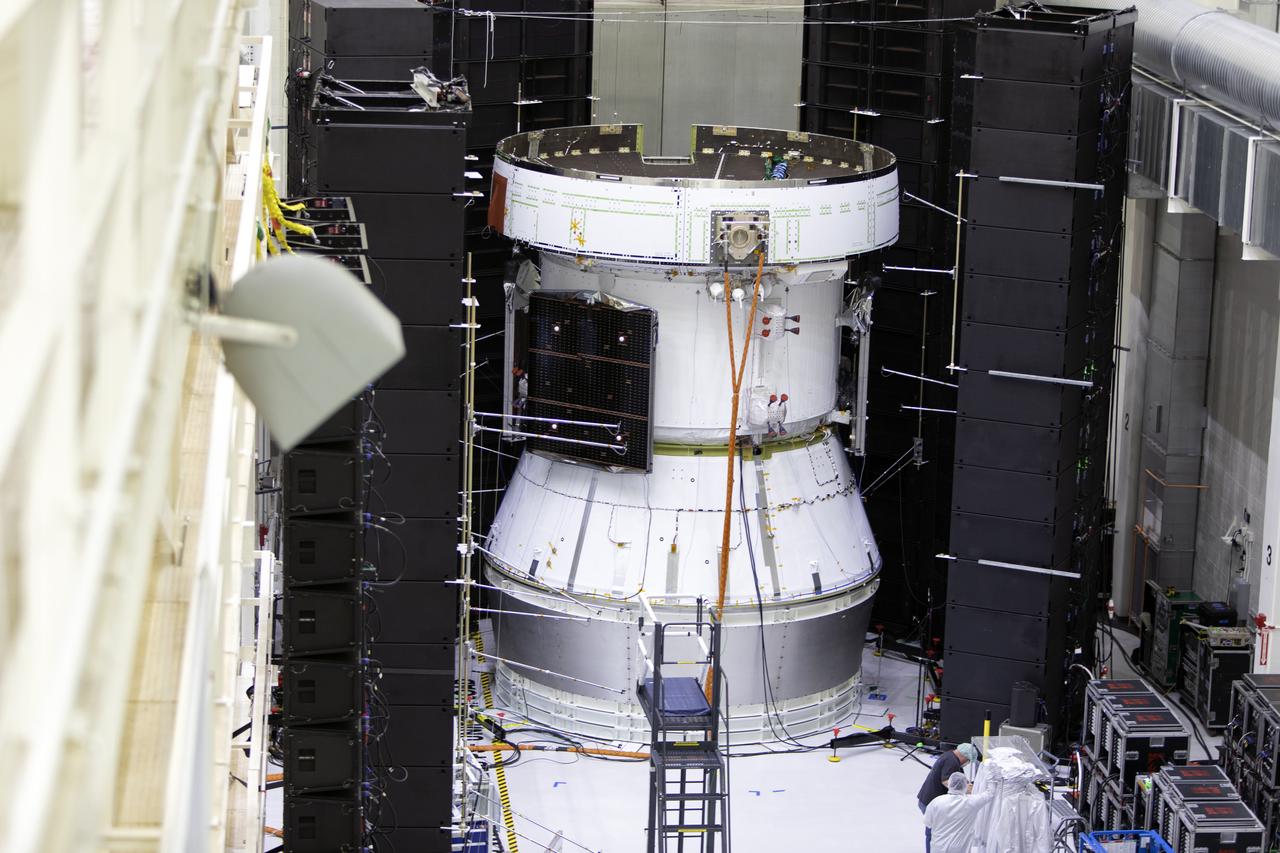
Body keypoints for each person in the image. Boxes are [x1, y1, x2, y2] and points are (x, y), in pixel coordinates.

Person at [917, 743, 978, 851]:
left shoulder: (949, 755)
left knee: (934, 831)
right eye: (968, 760)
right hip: (930, 802)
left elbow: (956, 776)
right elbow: (946, 781)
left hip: (927, 798)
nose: (967, 763)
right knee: (933, 832)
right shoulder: (952, 762)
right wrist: (965, 790)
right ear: (965, 756)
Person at [924, 772, 994, 853]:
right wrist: (991, 774)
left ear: (949, 784)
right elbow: (990, 793)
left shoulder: (936, 802)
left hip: (938, 848)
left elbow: (928, 823)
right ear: (965, 785)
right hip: (959, 849)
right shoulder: (971, 802)